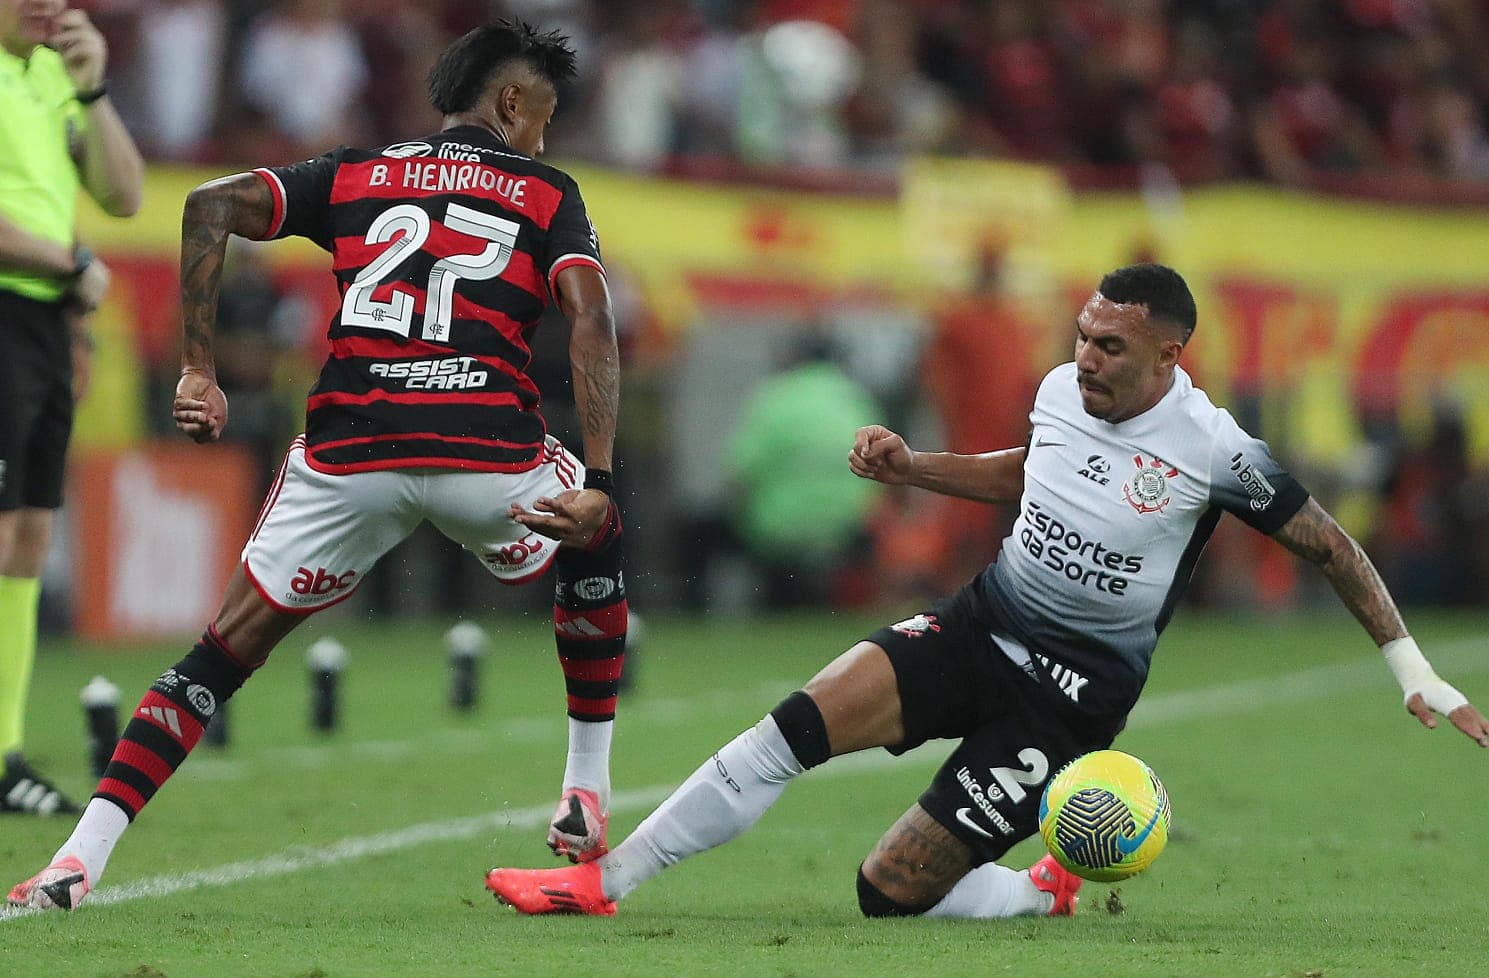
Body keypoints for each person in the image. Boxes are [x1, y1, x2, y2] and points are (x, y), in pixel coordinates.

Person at [486, 263, 1488, 919]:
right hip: (979, 622)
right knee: (790, 728)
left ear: (1168, 356)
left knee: (888, 891)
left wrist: (1415, 670)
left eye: (1110, 347)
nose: (1084, 358)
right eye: (1083, 335)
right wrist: (911, 466)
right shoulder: (1062, 390)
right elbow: (1030, 469)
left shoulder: (1215, 450)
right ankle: (602, 882)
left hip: (1070, 695)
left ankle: (1039, 893)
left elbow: (1330, 549)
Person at [9, 19, 627, 910]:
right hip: (486, 451)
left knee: (221, 653)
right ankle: (585, 788)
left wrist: (198, 367)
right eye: (545, 118)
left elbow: (207, 206)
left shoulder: (354, 173)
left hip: (353, 449)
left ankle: (78, 858)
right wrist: (599, 484)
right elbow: (591, 320)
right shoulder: (544, 189)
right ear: (510, 103)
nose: (544, 136)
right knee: (595, 538)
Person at [0, 0, 143, 816]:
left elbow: (122, 195)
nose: (48, 6)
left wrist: (93, 94)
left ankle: (4, 753)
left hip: (44, 321)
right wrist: (72, 262)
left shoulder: (53, 70)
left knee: (27, 531)